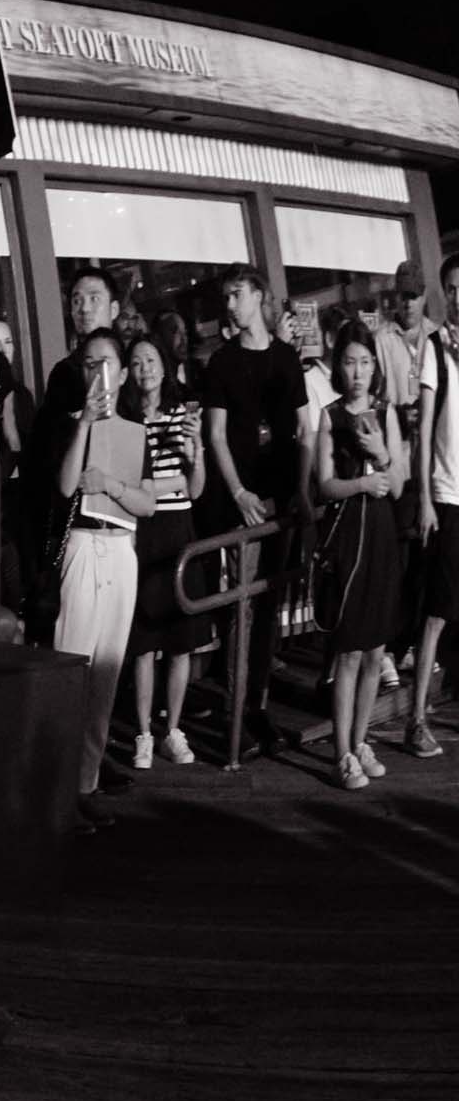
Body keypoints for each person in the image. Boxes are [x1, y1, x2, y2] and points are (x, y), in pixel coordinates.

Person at [197, 267, 308, 747]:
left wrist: (302, 489)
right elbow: (216, 434)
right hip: (245, 501)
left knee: (268, 606)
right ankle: (235, 711)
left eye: (238, 294)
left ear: (260, 296)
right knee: (241, 607)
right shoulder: (222, 361)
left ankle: (257, 706)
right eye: (226, 297)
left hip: (281, 494)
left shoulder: (286, 357)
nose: (230, 304)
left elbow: (306, 427)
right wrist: (238, 492)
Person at [52, 329, 155, 811]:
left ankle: (85, 786)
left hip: (121, 549)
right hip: (82, 544)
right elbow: (65, 484)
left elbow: (146, 504)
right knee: (72, 667)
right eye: (90, 364)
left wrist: (112, 484)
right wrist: (84, 424)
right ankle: (56, 788)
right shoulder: (70, 421)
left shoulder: (135, 431)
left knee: (106, 677)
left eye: (108, 362)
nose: (100, 373)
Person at [313, 329, 405, 791]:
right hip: (348, 533)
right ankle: (341, 752)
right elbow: (324, 484)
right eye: (349, 362)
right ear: (338, 366)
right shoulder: (330, 417)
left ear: (375, 366)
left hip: (384, 534)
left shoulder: (387, 413)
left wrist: (382, 455)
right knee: (348, 649)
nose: (358, 372)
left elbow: (402, 481)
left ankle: (362, 739)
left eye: (365, 361)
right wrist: (362, 484)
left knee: (375, 650)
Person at [120, 337, 212, 769]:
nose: (145, 368)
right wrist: (163, 486)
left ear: (165, 365)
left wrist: (196, 451)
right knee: (143, 643)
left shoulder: (182, 416)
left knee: (180, 642)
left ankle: (172, 730)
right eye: (136, 362)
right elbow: (132, 490)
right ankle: (142, 732)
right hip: (142, 531)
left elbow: (194, 489)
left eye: (151, 360)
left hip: (178, 530)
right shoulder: (125, 421)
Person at [25, 267, 124, 642]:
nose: (83, 308)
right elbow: (49, 452)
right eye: (76, 300)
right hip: (77, 513)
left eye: (94, 299)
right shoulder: (65, 374)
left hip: (124, 508)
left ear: (114, 308)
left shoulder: (131, 364)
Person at [403, 252, 459, 756]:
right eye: (454, 288)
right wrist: (424, 499)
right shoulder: (436, 347)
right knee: (437, 611)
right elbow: (422, 432)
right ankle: (416, 717)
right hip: (448, 493)